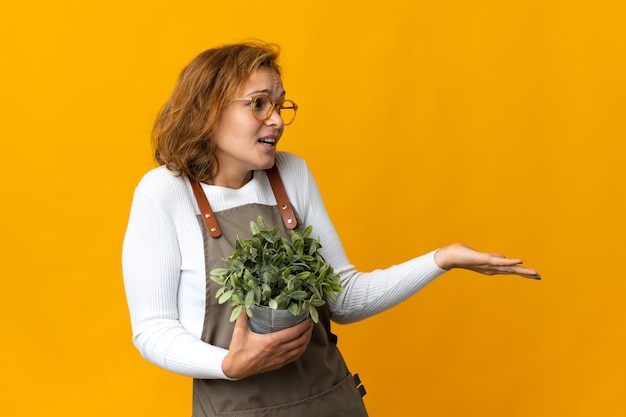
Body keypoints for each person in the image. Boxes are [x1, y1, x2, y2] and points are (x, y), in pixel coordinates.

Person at [122, 41, 540, 417]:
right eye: (258, 104)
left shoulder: (292, 173)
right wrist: (227, 365)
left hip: (331, 403)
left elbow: (344, 298)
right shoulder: (164, 193)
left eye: (280, 105)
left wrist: (441, 259)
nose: (276, 121)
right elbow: (154, 329)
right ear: (208, 108)